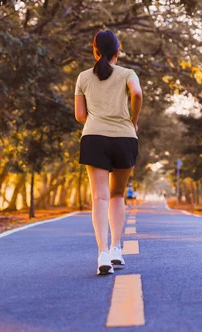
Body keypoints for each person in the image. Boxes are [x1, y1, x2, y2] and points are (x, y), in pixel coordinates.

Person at [74, 29, 143, 275]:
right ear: (118, 51)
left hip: (94, 138)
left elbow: (80, 116)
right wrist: (133, 120)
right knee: (116, 196)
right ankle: (116, 249)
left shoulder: (83, 77)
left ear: (95, 51)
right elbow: (136, 93)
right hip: (124, 137)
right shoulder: (128, 74)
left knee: (99, 198)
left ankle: (102, 254)